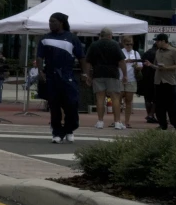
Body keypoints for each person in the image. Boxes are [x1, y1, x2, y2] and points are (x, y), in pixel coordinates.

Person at [36, 12, 86, 144]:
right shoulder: (45, 38)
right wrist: (41, 71)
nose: (50, 24)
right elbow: (39, 56)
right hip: (51, 76)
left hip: (67, 75)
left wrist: (85, 73)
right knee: (54, 105)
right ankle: (57, 133)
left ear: (61, 22)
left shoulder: (72, 38)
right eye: (49, 21)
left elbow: (81, 57)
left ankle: (70, 128)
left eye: (53, 21)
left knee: (71, 104)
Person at [85, 28, 127, 130]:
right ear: (109, 35)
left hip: (98, 74)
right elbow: (121, 61)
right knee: (115, 98)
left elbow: (88, 62)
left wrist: (88, 75)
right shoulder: (115, 44)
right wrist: (125, 75)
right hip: (112, 73)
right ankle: (117, 122)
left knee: (100, 98)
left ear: (101, 35)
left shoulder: (94, 45)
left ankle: (100, 121)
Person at [143, 33, 176, 131]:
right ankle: (162, 124)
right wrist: (151, 65)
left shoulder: (174, 51)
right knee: (159, 104)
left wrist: (167, 68)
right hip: (158, 81)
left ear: (163, 41)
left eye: (157, 41)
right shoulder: (158, 52)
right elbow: (157, 66)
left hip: (169, 81)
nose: (156, 42)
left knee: (171, 104)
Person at [119, 36, 142, 129]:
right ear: (124, 44)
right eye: (127, 44)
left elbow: (141, 65)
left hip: (131, 78)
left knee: (129, 101)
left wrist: (137, 66)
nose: (129, 46)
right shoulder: (120, 52)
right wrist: (125, 61)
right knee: (118, 100)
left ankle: (127, 121)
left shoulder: (136, 53)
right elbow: (116, 63)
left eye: (131, 44)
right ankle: (117, 120)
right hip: (120, 78)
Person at [140, 41, 158, 123]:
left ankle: (149, 114)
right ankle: (151, 114)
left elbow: (141, 64)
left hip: (145, 77)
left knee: (147, 97)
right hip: (155, 77)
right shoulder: (158, 54)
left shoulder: (146, 53)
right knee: (155, 98)